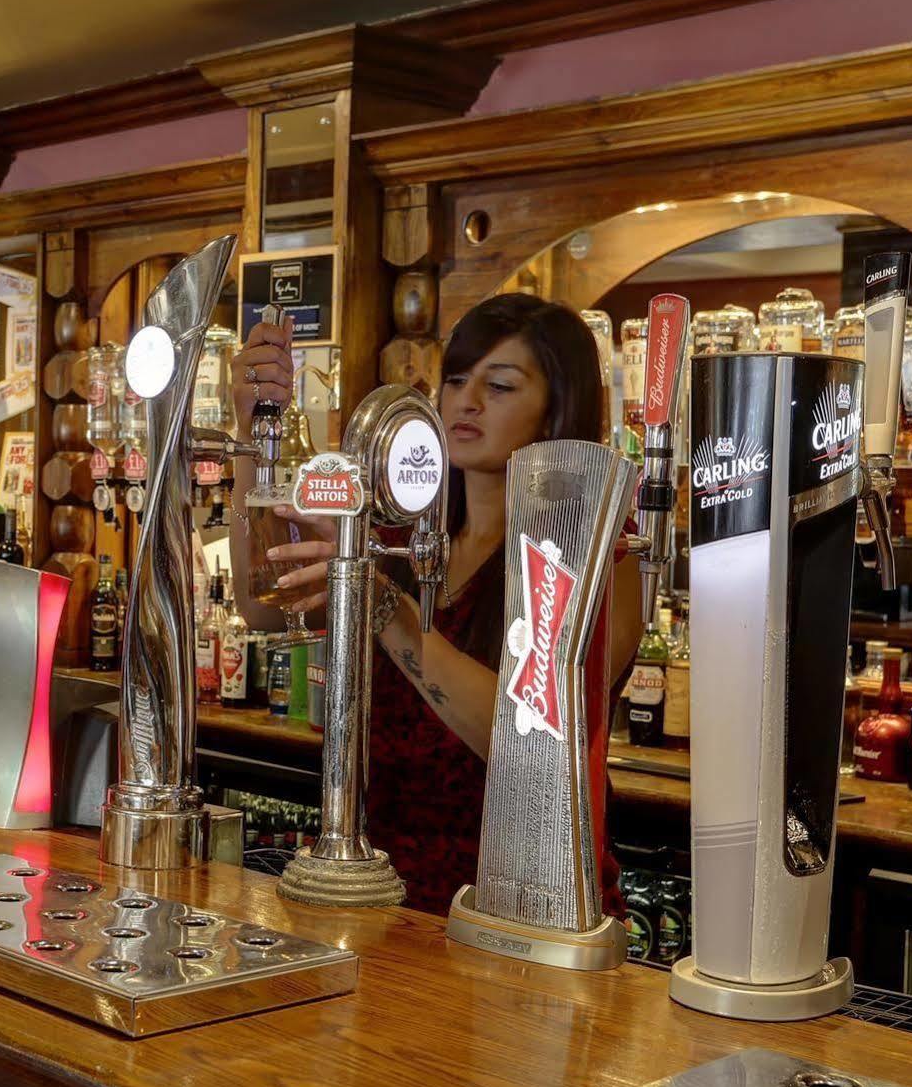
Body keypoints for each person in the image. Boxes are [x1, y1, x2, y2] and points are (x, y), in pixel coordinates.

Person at [226, 293, 642, 913]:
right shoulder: (400, 538)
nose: (464, 401)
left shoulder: (599, 560)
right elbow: (264, 609)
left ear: (558, 410)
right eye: (455, 380)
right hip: (381, 901)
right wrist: (254, 434)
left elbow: (532, 742)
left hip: (525, 912)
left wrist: (379, 603)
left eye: (498, 386)